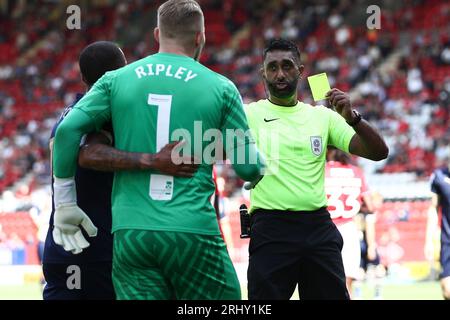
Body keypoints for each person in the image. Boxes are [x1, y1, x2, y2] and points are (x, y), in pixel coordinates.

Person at [51, 0, 264, 300]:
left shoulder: (115, 80)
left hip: (131, 233)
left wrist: (64, 202)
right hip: (192, 231)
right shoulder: (222, 87)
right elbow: (248, 167)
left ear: (156, 34)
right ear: (200, 37)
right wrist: (258, 165)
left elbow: (67, 131)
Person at [43, 41, 199, 300]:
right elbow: (89, 155)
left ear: (82, 77)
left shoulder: (69, 116)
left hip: (62, 246)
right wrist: (154, 161)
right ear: (124, 72)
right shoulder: (106, 113)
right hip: (101, 249)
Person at [244, 38, 388, 300]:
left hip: (318, 227)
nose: (279, 73)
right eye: (272, 67)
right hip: (271, 228)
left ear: (300, 71)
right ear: (262, 72)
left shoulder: (323, 117)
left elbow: (379, 152)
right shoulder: (247, 114)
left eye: (287, 66)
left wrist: (353, 118)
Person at [325, 148, 373, 298]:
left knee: (322, 281)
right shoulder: (356, 171)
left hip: (325, 228)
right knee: (347, 284)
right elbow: (370, 206)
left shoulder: (321, 170)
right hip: (349, 228)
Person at [424, 164, 450, 300]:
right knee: (447, 290)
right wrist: (429, 241)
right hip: (447, 241)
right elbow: (433, 209)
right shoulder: (439, 176)